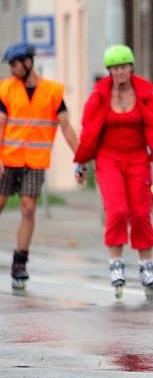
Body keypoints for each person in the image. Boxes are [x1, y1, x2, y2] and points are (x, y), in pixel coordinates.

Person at [73, 45, 153, 300]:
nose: (120, 72)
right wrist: (81, 162)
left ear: (131, 67)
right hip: (109, 158)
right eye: (115, 68)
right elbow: (89, 129)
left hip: (138, 157)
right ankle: (116, 264)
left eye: (124, 66)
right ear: (109, 71)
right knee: (117, 211)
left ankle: (146, 267)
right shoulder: (100, 96)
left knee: (140, 213)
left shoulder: (145, 93)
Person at [0, 42, 81, 292]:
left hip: (35, 162)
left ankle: (20, 263)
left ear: (28, 62)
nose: (12, 68)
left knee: (28, 208)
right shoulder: (5, 90)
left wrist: (80, 156)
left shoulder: (53, 92)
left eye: (15, 63)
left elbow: (66, 126)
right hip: (8, 159)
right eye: (10, 64)